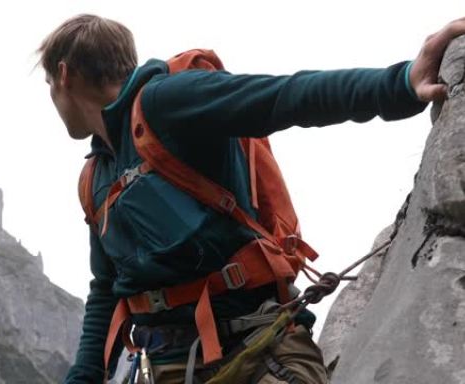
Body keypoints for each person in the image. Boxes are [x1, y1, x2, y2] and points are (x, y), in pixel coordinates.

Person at [38, 14, 464, 384]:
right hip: (165, 369)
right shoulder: (95, 177)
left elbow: (284, 97)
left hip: (260, 352)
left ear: (64, 75)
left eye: (48, 84)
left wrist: (401, 83)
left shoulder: (166, 102)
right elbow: (107, 289)